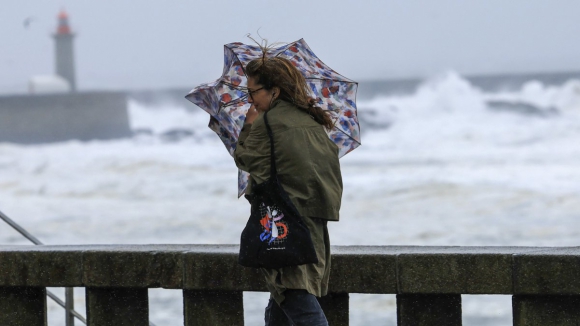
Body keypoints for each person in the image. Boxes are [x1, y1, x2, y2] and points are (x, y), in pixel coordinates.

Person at [234, 55, 343, 326]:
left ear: (275, 91)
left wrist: (248, 127)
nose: (251, 100)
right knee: (284, 296)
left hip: (282, 223)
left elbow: (246, 160)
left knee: (294, 294)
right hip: (313, 223)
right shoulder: (311, 119)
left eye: (253, 92)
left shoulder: (268, 123)